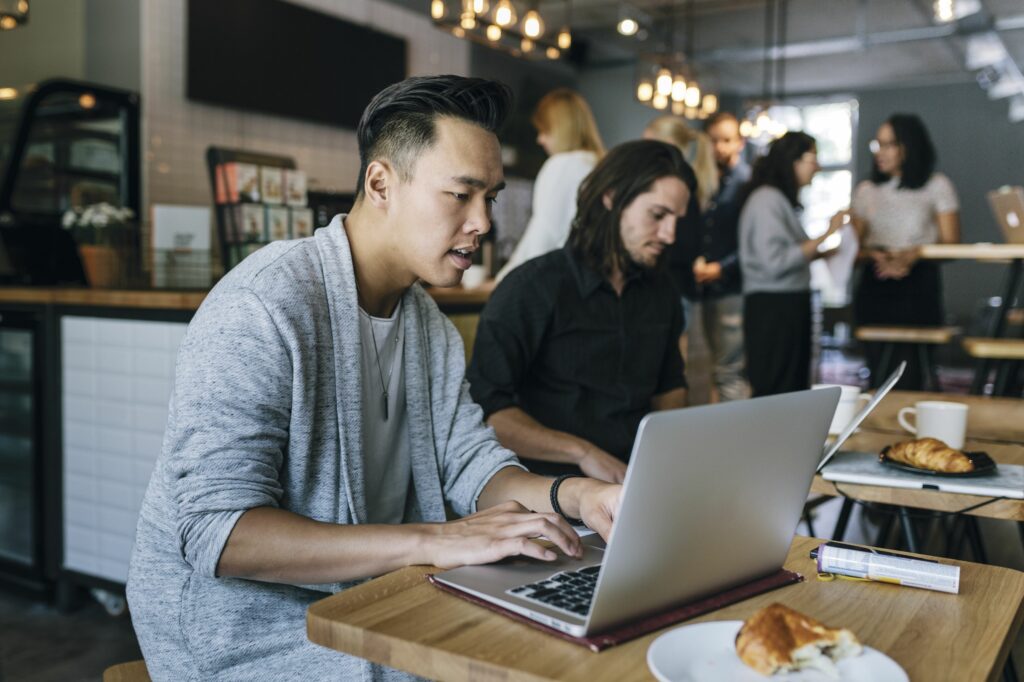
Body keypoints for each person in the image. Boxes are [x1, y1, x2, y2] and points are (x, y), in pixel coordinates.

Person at [126, 75, 621, 681]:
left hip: (374, 597)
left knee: (556, 634)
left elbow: (468, 465)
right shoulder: (264, 305)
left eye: (489, 198)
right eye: (461, 195)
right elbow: (218, 535)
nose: (483, 223)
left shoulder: (427, 323)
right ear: (380, 183)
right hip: (241, 632)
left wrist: (580, 497)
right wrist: (436, 541)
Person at [467, 140, 694, 484]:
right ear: (612, 198)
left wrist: (665, 461)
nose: (670, 234)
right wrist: (583, 453)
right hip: (549, 493)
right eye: (658, 215)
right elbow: (487, 413)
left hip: (637, 484)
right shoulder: (531, 288)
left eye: (677, 219)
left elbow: (670, 388)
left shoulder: (662, 292)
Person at [645, 112, 751, 402]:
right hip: (697, 286)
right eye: (715, 140)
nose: (720, 147)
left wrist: (720, 267)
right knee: (695, 370)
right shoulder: (700, 178)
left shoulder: (746, 184)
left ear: (740, 142)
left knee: (726, 370)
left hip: (727, 286)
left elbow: (751, 243)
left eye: (727, 140)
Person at [851, 113, 960, 389]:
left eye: (889, 144)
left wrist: (914, 254)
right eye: (878, 144)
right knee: (877, 367)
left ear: (909, 147)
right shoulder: (866, 190)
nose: (881, 152)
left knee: (910, 368)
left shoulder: (937, 185)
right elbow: (853, 247)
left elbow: (952, 244)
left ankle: (908, 424)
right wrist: (875, 254)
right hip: (876, 281)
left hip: (918, 283)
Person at [739, 132, 845, 397]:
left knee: (791, 387)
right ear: (792, 161)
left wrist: (823, 253)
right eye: (813, 159)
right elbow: (774, 262)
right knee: (777, 388)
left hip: (784, 304)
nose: (818, 167)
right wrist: (827, 233)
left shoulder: (777, 199)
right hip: (774, 308)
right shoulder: (767, 199)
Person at [495, 88, 604, 280]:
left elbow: (543, 237)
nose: (540, 140)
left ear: (562, 129)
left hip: (558, 283)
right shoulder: (600, 166)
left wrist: (504, 280)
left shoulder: (562, 165)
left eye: (544, 131)